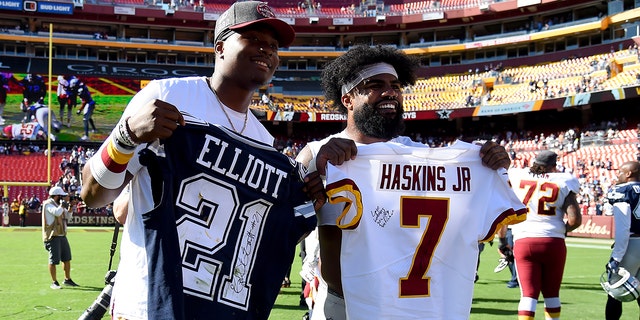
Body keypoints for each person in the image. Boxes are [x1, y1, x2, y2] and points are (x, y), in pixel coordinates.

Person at [80, 2, 322, 319]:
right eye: (254, 39)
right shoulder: (168, 95)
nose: (266, 51)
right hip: (146, 302)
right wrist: (126, 137)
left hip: (215, 309)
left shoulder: (263, 141)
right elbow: (93, 195)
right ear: (220, 47)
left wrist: (307, 204)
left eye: (274, 46)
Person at [295, 44, 526, 320]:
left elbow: (460, 222)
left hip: (410, 307)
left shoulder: (420, 157)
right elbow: (288, 229)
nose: (390, 91)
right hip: (342, 306)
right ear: (348, 98)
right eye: (374, 85)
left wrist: (488, 167)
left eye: (395, 85)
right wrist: (315, 178)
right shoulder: (317, 153)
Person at [508, 150, 582, 319]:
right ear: (553, 166)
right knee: (552, 294)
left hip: (524, 239)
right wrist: (561, 230)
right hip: (553, 240)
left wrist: (503, 239)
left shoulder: (516, 175)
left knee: (528, 295)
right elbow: (575, 220)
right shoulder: (565, 180)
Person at [604, 161, 640, 320]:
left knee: (615, 292)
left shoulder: (623, 190)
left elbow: (624, 228)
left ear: (628, 174)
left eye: (620, 171)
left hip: (632, 244)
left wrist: (616, 257)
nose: (617, 175)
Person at [42, 186, 79, 289]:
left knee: (67, 258)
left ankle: (67, 279)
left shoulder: (59, 205)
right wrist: (63, 204)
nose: (63, 198)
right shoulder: (48, 204)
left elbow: (68, 216)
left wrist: (71, 206)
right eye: (61, 196)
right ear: (57, 196)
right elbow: (57, 212)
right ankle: (54, 282)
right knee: (53, 260)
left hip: (62, 235)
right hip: (52, 236)